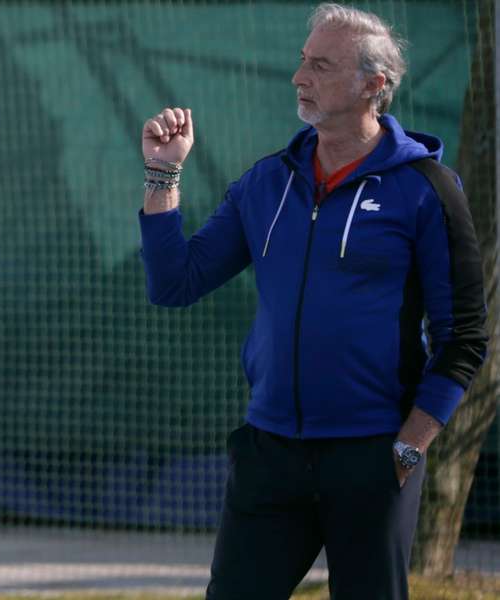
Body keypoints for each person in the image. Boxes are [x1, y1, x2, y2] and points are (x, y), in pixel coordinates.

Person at [138, 3, 487, 599]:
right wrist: (162, 177)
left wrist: (409, 447)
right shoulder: (265, 183)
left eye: (321, 66)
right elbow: (176, 282)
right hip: (269, 456)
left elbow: (465, 338)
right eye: (303, 61)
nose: (300, 77)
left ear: (373, 85)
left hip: (374, 460)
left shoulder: (428, 189)